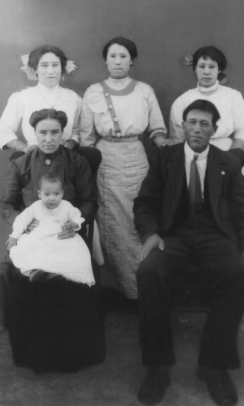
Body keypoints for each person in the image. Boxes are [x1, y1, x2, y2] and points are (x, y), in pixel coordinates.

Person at [133, 100, 244, 406]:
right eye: (192, 122)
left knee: (236, 274)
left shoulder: (228, 163)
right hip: (173, 235)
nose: (197, 129)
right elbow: (145, 202)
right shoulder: (165, 158)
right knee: (149, 273)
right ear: (183, 126)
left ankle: (214, 366)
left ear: (214, 130)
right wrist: (151, 235)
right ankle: (158, 367)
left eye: (205, 124)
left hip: (214, 235)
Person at [0, 109, 105, 374]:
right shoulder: (21, 163)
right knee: (23, 278)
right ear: (34, 133)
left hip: (66, 232)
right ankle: (35, 357)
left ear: (63, 133)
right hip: (33, 235)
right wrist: (23, 223)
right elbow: (6, 205)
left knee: (71, 276)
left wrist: (76, 223)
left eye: (55, 132)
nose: (49, 138)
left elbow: (89, 200)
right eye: (43, 132)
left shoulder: (77, 162)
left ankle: (72, 356)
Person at [80, 36, 168, 299]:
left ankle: (147, 288)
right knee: (112, 224)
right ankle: (122, 289)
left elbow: (157, 128)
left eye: (123, 56)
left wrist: (164, 141)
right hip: (106, 160)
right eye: (113, 56)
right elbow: (86, 137)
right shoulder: (94, 92)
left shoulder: (144, 91)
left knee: (138, 216)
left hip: (137, 158)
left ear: (132, 60)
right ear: (105, 60)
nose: (118, 61)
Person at [169, 46, 244, 245]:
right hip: (194, 159)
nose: (206, 71)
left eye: (212, 66)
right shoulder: (182, 101)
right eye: (202, 66)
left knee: (235, 208)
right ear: (195, 69)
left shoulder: (232, 96)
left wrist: (231, 158)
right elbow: (176, 139)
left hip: (227, 155)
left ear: (219, 70)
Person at [8, 172, 94, 285]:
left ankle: (57, 272)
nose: (52, 198)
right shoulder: (36, 207)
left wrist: (74, 224)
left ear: (62, 193)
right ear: (39, 194)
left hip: (61, 235)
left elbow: (76, 215)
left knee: (75, 252)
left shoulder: (66, 206)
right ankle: (35, 271)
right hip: (40, 235)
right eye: (47, 194)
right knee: (28, 247)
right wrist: (15, 236)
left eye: (56, 194)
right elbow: (22, 219)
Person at [0, 45, 81, 152]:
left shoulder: (73, 98)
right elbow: (2, 131)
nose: (50, 71)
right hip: (33, 157)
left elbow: (77, 131)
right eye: (44, 65)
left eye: (55, 65)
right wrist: (24, 148)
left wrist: (70, 145)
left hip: (66, 156)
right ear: (35, 69)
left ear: (62, 69)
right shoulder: (22, 97)